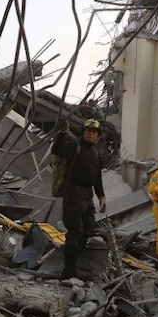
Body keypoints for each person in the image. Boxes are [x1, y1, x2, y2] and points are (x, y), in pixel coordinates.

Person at [51, 118, 106, 279]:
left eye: (94, 132)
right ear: (83, 132)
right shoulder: (74, 146)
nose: (91, 133)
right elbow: (57, 150)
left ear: (98, 136)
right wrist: (61, 133)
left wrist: (101, 196)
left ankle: (74, 266)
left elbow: (97, 178)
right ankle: (68, 271)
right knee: (75, 232)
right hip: (73, 193)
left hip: (87, 195)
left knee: (88, 231)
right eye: (88, 130)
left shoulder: (96, 153)